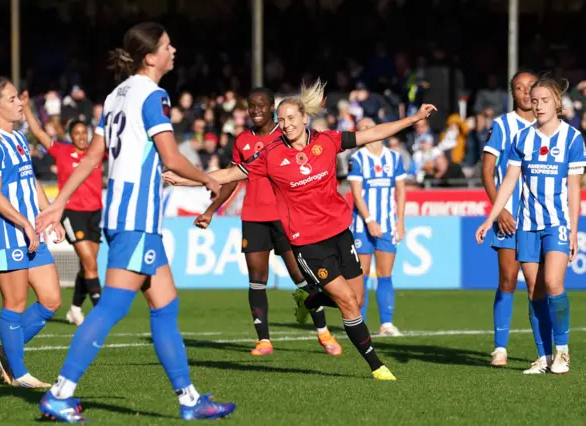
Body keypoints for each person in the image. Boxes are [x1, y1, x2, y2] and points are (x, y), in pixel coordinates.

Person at [165, 79, 437, 380]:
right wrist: (186, 178)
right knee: (347, 302)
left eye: (291, 118)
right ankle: (377, 366)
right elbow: (229, 173)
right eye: (281, 120)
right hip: (307, 242)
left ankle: (309, 300)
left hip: (340, 233)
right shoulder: (270, 155)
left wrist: (413, 119)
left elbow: (372, 133)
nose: (286, 124)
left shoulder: (328, 140)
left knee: (357, 299)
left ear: (305, 118)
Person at [34, 22, 235, 422]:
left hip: (126, 217)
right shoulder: (153, 95)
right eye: (167, 45)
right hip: (136, 219)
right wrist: (209, 179)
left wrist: (60, 203)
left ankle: (190, 400)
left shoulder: (114, 96)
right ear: (151, 56)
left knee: (165, 306)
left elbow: (93, 158)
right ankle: (60, 393)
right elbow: (172, 158)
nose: (173, 50)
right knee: (111, 306)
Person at [194, 87, 342, 356]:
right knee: (256, 278)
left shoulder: (286, 133)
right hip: (254, 216)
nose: (256, 110)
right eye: (251, 106)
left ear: (273, 107)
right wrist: (211, 209)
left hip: (285, 217)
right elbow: (232, 177)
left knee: (301, 277)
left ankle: (323, 332)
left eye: (262, 105)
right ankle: (264, 340)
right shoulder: (242, 141)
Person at [476, 77, 586, 375]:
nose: (538, 106)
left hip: (556, 224)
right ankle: (543, 356)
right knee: (535, 292)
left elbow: (575, 188)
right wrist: (490, 218)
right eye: (535, 101)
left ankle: (562, 352)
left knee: (553, 284)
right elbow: (509, 182)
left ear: (557, 103)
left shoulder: (572, 138)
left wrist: (574, 230)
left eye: (544, 101)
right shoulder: (522, 138)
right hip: (527, 226)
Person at [0, 76, 66, 388]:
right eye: (11, 99)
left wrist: (51, 214)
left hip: (29, 231)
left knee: (51, 300)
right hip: (6, 233)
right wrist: (24, 223)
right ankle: (19, 374)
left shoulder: (19, 139)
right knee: (16, 304)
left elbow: (31, 180)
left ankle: (5, 351)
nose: (20, 103)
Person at [21, 92, 102, 326]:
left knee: (88, 265)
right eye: (76, 133)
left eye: (84, 133)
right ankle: (101, 310)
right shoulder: (63, 152)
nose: (81, 137)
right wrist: (27, 106)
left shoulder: (96, 152)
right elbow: (38, 133)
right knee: (89, 262)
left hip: (95, 212)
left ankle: (75, 308)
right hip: (72, 213)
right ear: (70, 136)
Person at [481, 71, 537, 367]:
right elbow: (487, 171)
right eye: (519, 87)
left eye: (530, 87)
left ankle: (545, 351)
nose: (526, 92)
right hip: (510, 218)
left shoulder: (551, 128)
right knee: (508, 279)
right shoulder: (503, 125)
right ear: (513, 93)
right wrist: (499, 210)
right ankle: (500, 348)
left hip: (540, 218)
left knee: (537, 285)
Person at [348, 117, 406, 336]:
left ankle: (387, 324)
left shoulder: (394, 158)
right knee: (361, 274)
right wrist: (369, 220)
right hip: (363, 225)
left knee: (385, 274)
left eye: (369, 126)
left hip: (388, 225)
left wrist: (400, 221)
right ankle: (358, 322)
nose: (366, 130)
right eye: (361, 128)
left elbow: (401, 191)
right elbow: (356, 192)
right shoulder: (357, 158)